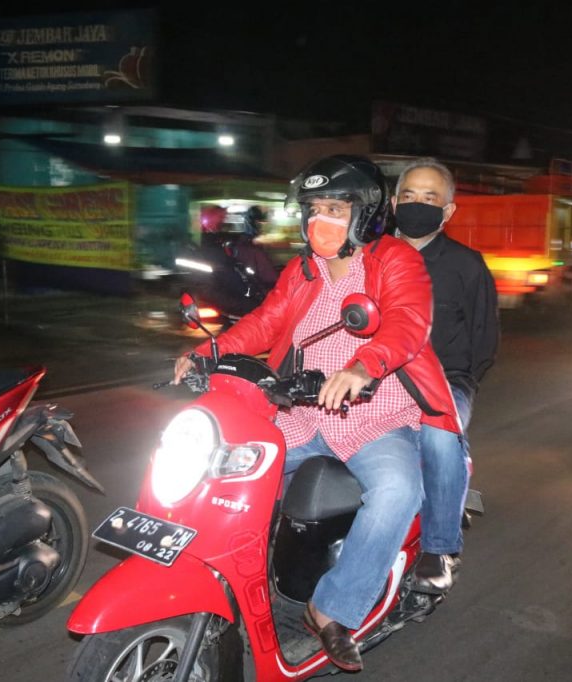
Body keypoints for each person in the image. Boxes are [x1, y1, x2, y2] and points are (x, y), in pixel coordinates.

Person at [172, 155, 460, 672]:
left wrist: (363, 367)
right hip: (303, 414)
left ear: (365, 213)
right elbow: (265, 322)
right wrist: (208, 354)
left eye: (334, 207)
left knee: (398, 490)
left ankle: (332, 608)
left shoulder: (394, 260)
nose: (319, 219)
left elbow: (407, 322)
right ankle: (223, 574)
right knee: (225, 472)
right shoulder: (303, 269)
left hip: (375, 416)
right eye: (313, 209)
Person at [392, 157, 499, 594]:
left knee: (438, 434)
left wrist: (457, 386)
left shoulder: (466, 265)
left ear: (448, 210)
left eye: (430, 197)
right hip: (376, 380)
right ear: (394, 202)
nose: (418, 204)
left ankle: (440, 548)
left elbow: (483, 341)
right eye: (409, 196)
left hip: (445, 381)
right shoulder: (368, 257)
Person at [224, 205, 279, 291]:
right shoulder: (253, 250)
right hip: (254, 290)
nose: (261, 227)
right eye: (259, 223)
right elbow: (270, 277)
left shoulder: (234, 246)